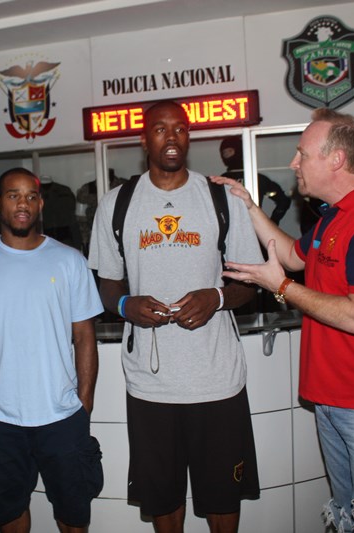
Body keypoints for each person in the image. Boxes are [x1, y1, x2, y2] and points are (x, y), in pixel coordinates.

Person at [214, 107, 354, 532]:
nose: (294, 164)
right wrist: (249, 206)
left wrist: (280, 286)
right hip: (333, 398)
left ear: (336, 159)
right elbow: (292, 256)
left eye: (302, 154)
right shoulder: (335, 216)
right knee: (349, 516)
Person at [88, 101, 262, 533]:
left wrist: (216, 298)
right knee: (162, 496)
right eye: (160, 129)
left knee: (222, 494)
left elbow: (251, 283)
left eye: (180, 128)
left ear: (189, 136)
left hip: (216, 378)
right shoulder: (117, 204)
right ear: (143, 139)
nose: (171, 137)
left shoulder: (222, 199)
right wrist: (126, 306)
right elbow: (107, 284)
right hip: (150, 383)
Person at [0, 168, 103, 532]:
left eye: (31, 196)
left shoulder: (70, 261)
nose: (23, 204)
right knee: (8, 515)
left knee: (74, 515)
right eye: (13, 195)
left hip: (62, 416)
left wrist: (84, 404)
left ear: (41, 204)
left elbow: (84, 337)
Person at [219, 136, 291, 225]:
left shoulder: (255, 178)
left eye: (230, 151)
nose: (227, 155)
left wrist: (272, 223)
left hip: (253, 227)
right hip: (230, 228)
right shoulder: (222, 180)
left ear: (239, 151)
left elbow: (283, 201)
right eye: (224, 153)